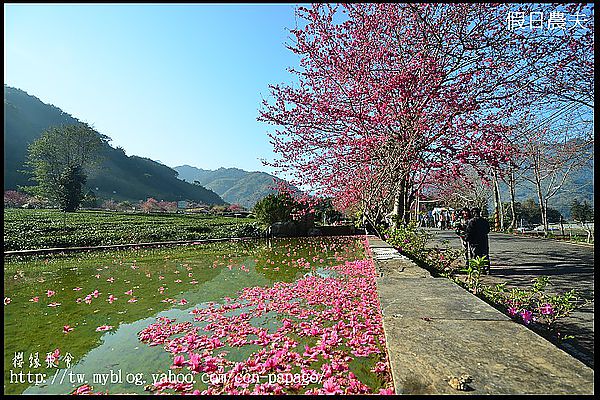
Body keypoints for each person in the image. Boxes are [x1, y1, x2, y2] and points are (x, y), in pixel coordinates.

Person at [465, 207, 491, 274]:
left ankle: (476, 269)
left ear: (473, 213)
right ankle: (486, 269)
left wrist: (466, 239)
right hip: (484, 240)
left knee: (475, 255)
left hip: (474, 241)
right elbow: (488, 230)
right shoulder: (484, 221)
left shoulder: (471, 221)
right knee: (485, 255)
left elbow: (469, 232)